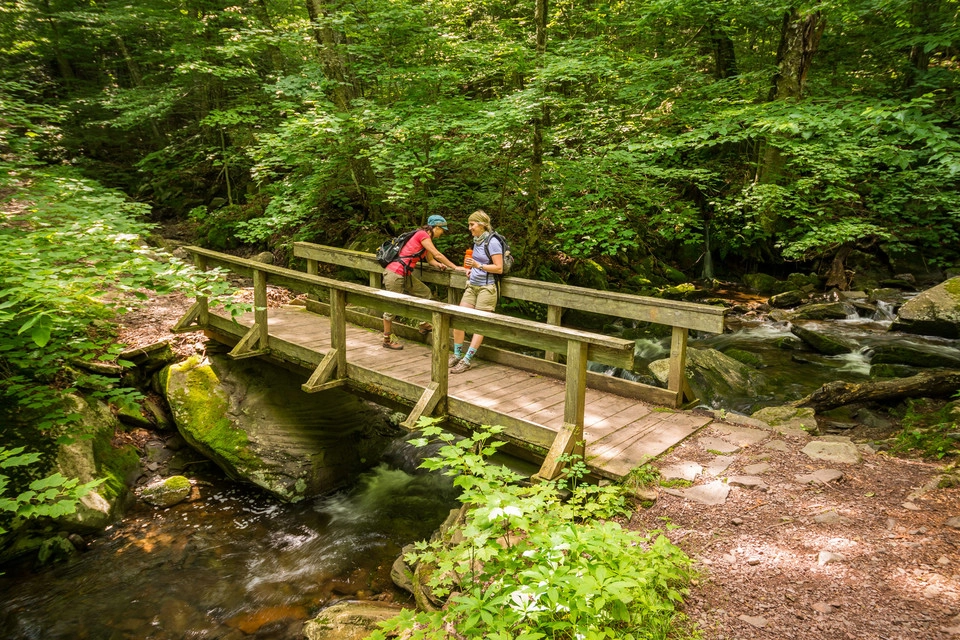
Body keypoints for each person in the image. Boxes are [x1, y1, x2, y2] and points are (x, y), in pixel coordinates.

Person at [382, 214, 463, 350]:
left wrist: (439, 265)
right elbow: (437, 254)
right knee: (392, 307)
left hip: (405, 274)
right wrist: (455, 267)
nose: (443, 233)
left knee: (425, 293)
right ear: (436, 227)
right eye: (442, 230)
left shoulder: (426, 238)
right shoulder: (422, 235)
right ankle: (387, 339)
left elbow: (431, 259)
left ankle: (423, 323)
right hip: (395, 273)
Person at [449, 210, 503, 373]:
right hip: (472, 285)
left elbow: (498, 268)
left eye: (472, 224)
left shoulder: (492, 242)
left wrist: (478, 266)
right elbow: (477, 263)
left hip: (487, 288)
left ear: (482, 224)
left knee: (479, 324)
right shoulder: (477, 241)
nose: (470, 228)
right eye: (469, 225)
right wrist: (471, 270)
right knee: (459, 318)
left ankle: (467, 359)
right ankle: (457, 354)